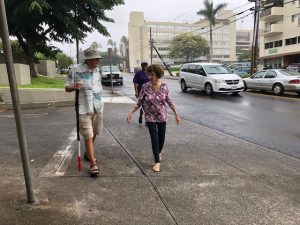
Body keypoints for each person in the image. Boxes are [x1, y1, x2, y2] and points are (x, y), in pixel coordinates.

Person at [127, 64, 180, 172]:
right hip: (150, 116)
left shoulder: (164, 86)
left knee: (161, 139)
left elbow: (169, 101)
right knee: (154, 139)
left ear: (157, 74)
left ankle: (158, 152)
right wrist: (131, 112)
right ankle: (157, 162)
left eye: (151, 74)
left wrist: (176, 114)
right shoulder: (145, 87)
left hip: (162, 116)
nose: (149, 77)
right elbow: (140, 102)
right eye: (148, 74)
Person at [65, 47, 103, 176]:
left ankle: (88, 154)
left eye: (98, 59)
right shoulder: (75, 69)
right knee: (88, 135)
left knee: (95, 133)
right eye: (95, 59)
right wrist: (73, 86)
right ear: (88, 59)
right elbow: (66, 87)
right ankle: (93, 164)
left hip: (98, 107)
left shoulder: (97, 70)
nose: (98, 61)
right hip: (84, 108)